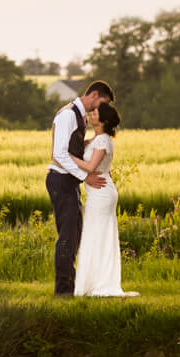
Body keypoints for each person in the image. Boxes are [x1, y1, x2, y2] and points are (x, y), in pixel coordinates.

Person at [46, 80, 113, 296]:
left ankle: (71, 286)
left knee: (74, 234)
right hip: (61, 180)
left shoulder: (80, 116)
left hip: (69, 180)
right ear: (94, 95)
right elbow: (60, 154)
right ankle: (63, 291)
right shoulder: (67, 115)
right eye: (102, 103)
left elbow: (74, 148)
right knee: (67, 236)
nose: (101, 109)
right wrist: (85, 176)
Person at [70, 102, 136, 297]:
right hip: (95, 193)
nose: (91, 114)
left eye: (95, 112)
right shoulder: (93, 140)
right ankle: (91, 282)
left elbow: (90, 167)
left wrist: (65, 157)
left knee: (99, 234)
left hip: (102, 192)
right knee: (92, 233)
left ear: (104, 120)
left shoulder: (103, 141)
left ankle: (102, 283)